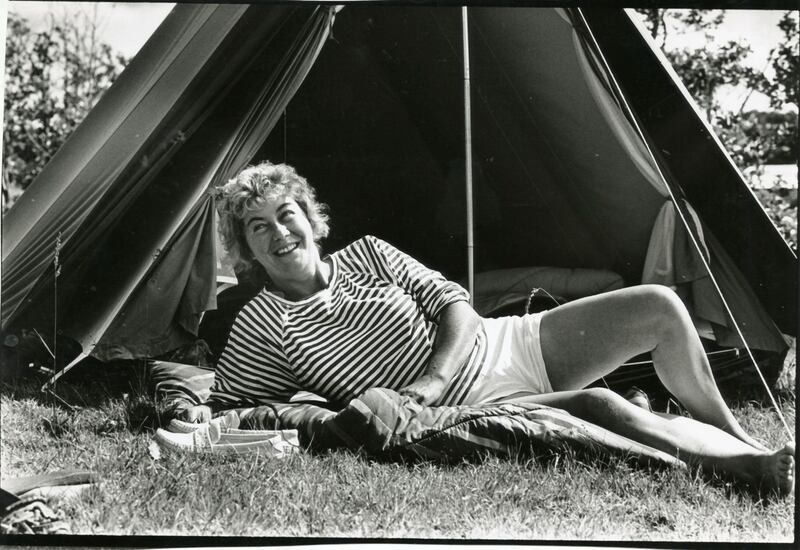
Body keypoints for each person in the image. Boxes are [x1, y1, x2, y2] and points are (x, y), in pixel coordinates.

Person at [184, 161, 794, 497]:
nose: (278, 231)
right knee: (599, 404)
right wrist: (189, 412)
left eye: (285, 214)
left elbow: (455, 305)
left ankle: (735, 435)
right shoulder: (263, 323)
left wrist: (430, 378)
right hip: (468, 409)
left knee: (658, 304)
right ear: (246, 249)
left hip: (504, 344)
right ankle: (743, 470)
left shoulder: (368, 253)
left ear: (311, 221)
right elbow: (234, 406)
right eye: (257, 227)